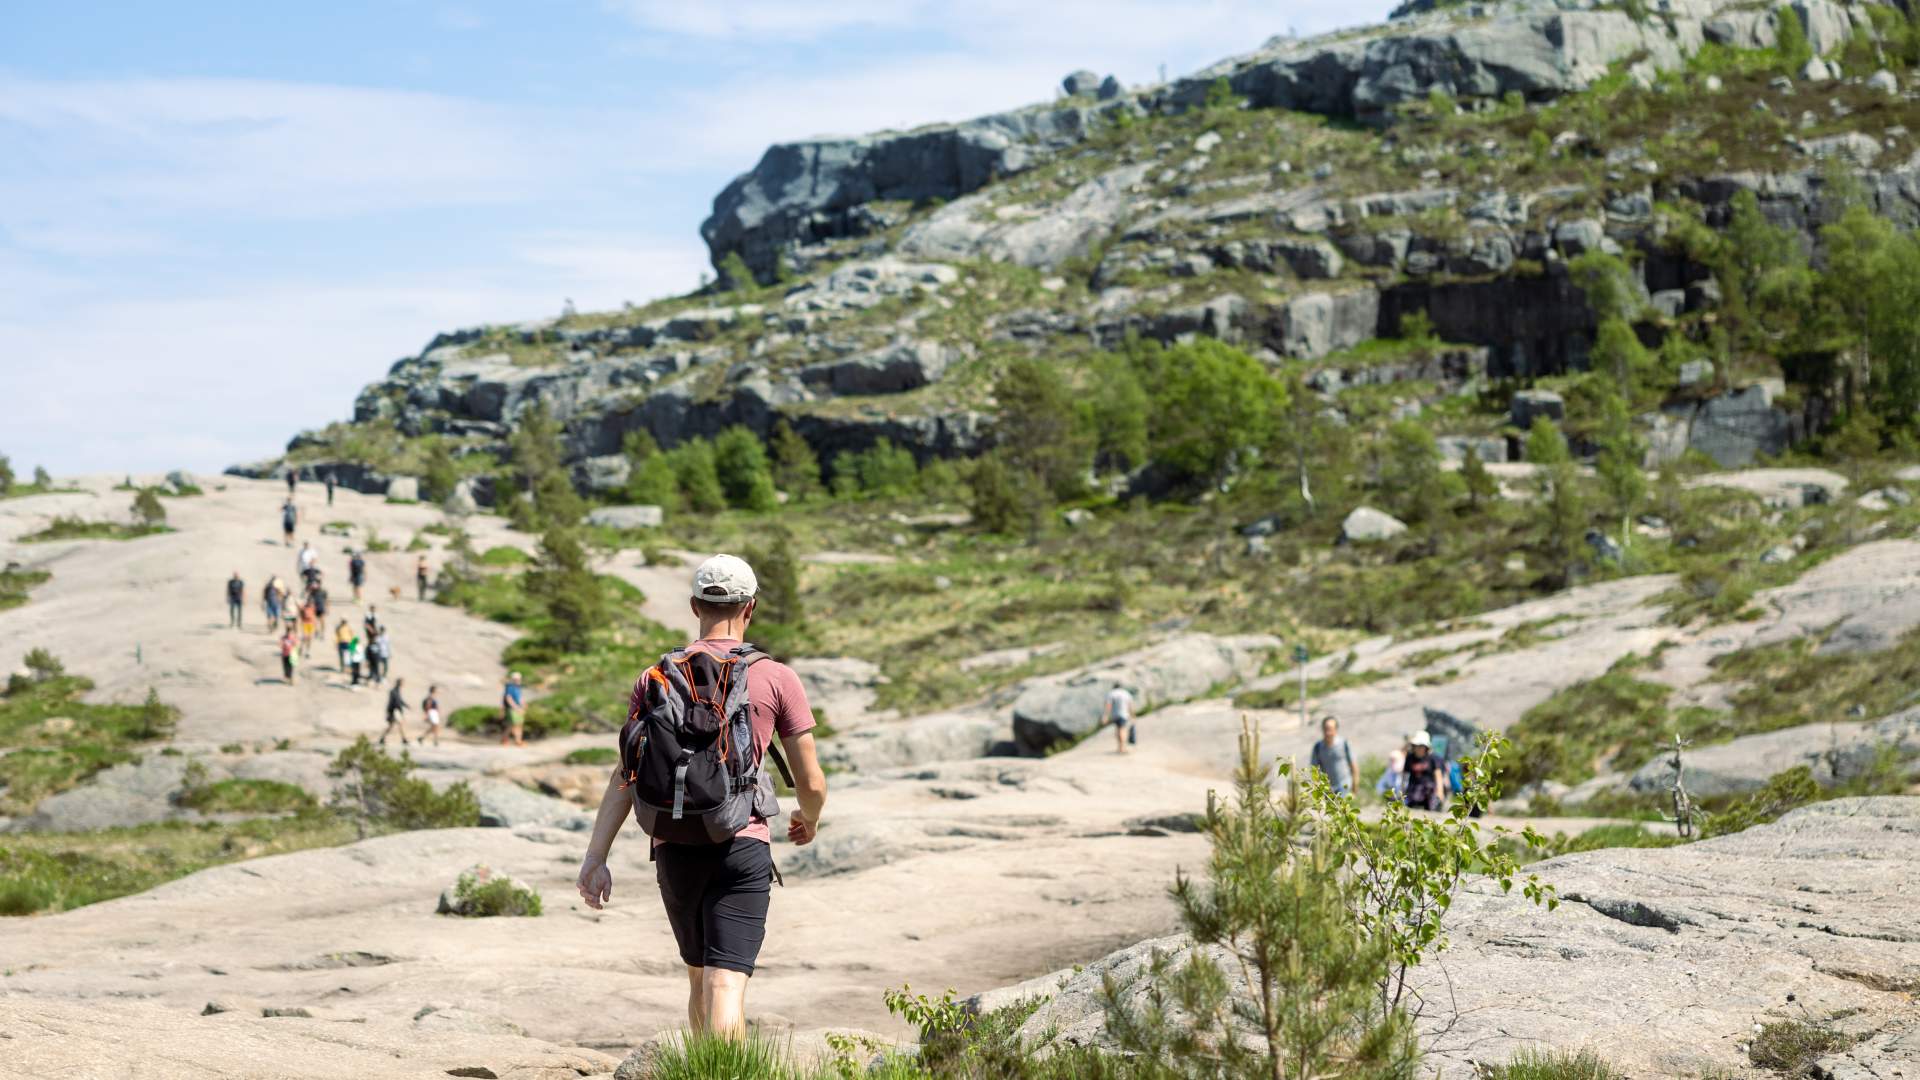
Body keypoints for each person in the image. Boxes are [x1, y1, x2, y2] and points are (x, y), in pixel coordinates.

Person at [577, 553, 828, 1039]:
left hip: (675, 845)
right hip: (742, 842)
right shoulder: (777, 678)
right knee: (725, 981)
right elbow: (812, 783)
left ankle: (700, 1066)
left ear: (695, 606)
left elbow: (625, 773)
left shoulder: (654, 678)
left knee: (698, 975)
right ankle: (725, 1071)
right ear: (750, 608)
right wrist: (809, 818)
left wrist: (596, 857)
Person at [1308, 715, 1358, 796]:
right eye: (1326, 729)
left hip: (1344, 785)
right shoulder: (1318, 747)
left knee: (1341, 803)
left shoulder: (1344, 744)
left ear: (1335, 730)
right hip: (1328, 789)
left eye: (1330, 729)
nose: (1328, 732)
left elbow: (1354, 766)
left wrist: (1355, 788)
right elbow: (1314, 770)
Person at [1402, 731, 1447, 811]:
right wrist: (1402, 791)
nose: (1418, 748)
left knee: (1431, 807)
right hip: (1414, 788)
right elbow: (1405, 775)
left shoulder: (1433, 758)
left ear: (1426, 747)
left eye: (1421, 746)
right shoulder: (1410, 757)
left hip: (1429, 790)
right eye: (1416, 745)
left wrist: (1440, 792)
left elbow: (1438, 775)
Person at [1102, 684, 1136, 754]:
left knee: (1119, 730)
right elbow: (1130, 705)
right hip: (1125, 714)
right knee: (1122, 729)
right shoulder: (1126, 693)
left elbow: (1108, 706)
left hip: (1115, 715)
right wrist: (1132, 715)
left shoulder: (1111, 693)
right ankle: (1122, 747)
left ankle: (1121, 748)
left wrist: (1105, 716)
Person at [379, 678, 410, 745]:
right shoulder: (393, 691)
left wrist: (407, 706)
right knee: (392, 725)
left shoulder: (397, 691)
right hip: (394, 711)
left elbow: (400, 701)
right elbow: (394, 702)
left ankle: (404, 739)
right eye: (402, 682)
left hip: (396, 711)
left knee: (399, 725)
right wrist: (391, 711)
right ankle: (382, 738)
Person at [500, 671, 526, 747]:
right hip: (512, 709)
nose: (518, 680)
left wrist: (523, 705)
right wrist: (516, 708)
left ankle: (504, 740)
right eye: (516, 679)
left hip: (516, 708)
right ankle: (518, 741)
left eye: (519, 679)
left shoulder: (517, 687)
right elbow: (508, 698)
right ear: (513, 679)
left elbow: (520, 698)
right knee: (516, 725)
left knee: (511, 725)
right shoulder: (510, 687)